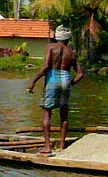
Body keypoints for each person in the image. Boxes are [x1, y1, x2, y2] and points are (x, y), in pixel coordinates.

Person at [27, 25, 83, 154]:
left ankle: (47, 146)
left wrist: (33, 82)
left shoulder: (50, 47)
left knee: (47, 112)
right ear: (68, 39)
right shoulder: (71, 53)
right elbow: (80, 74)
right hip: (66, 79)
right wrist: (70, 84)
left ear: (56, 37)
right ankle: (62, 145)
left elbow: (46, 66)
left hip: (52, 80)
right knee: (64, 113)